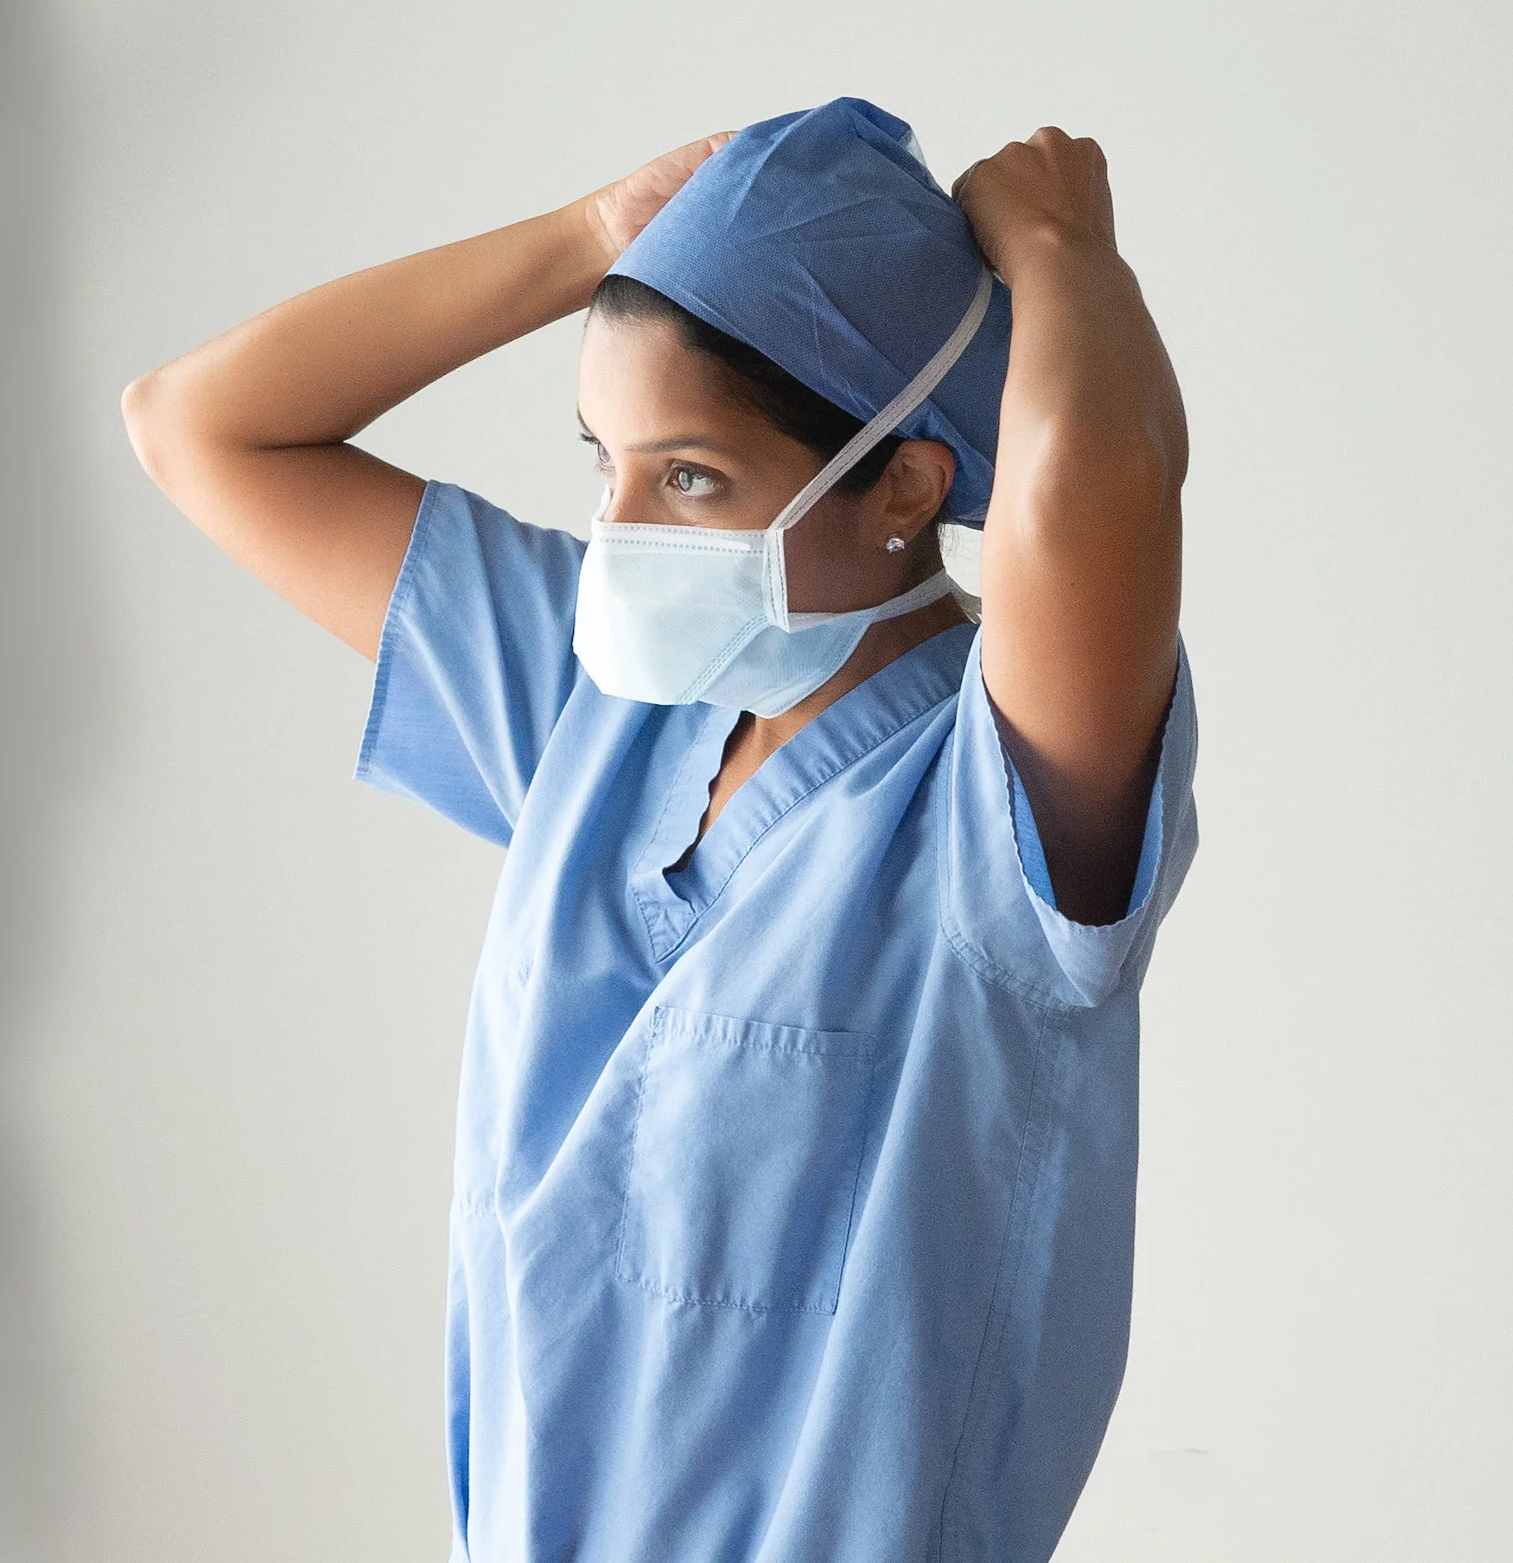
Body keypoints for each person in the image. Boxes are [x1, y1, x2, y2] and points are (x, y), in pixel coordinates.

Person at [121, 96, 1196, 1563]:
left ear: (903, 481)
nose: (620, 534)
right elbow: (195, 427)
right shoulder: (600, 713)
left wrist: (1064, 252)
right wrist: (590, 240)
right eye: (602, 464)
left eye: (688, 478)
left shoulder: (994, 803)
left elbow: (1098, 480)